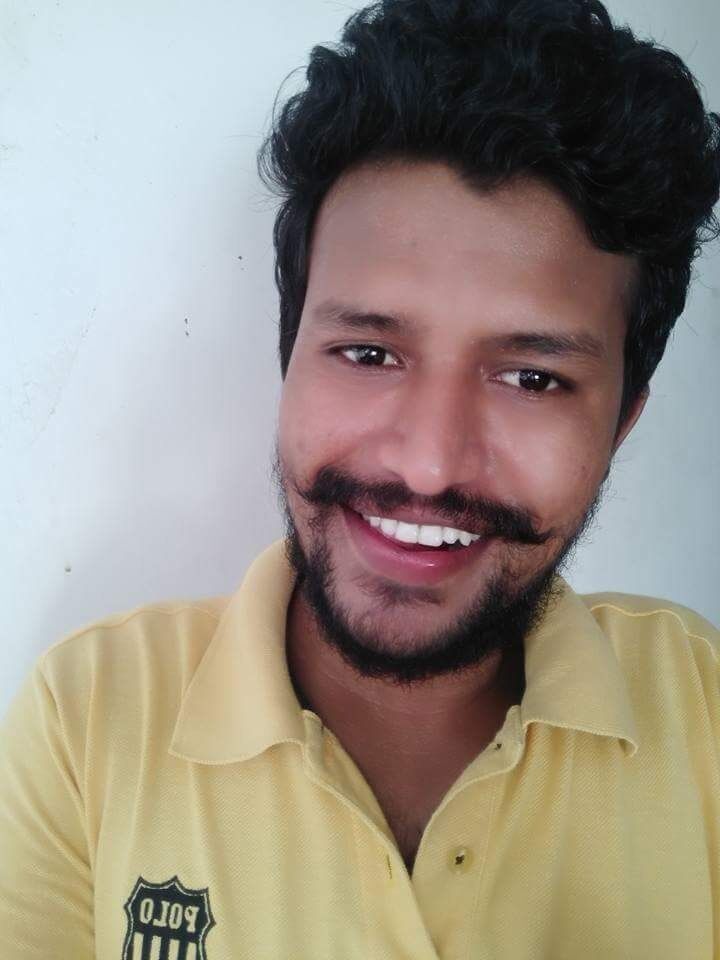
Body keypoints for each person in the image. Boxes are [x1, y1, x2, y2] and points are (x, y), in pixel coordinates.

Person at [2, 0, 719, 957]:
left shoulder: (705, 713)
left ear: (623, 419)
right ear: (288, 359)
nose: (428, 462)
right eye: (368, 353)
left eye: (532, 378)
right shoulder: (86, 719)